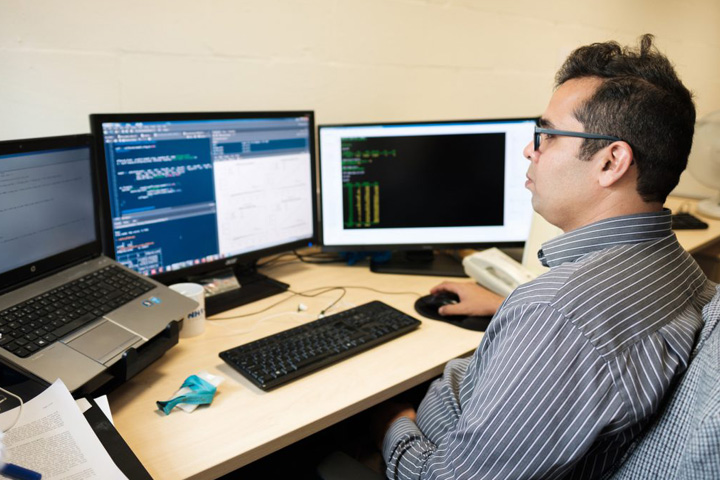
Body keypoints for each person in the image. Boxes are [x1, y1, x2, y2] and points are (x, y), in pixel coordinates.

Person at [378, 34, 717, 479]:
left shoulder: (559, 314)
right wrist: (512, 307)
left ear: (611, 162)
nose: (529, 149)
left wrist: (393, 425)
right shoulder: (679, 269)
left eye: (547, 135)